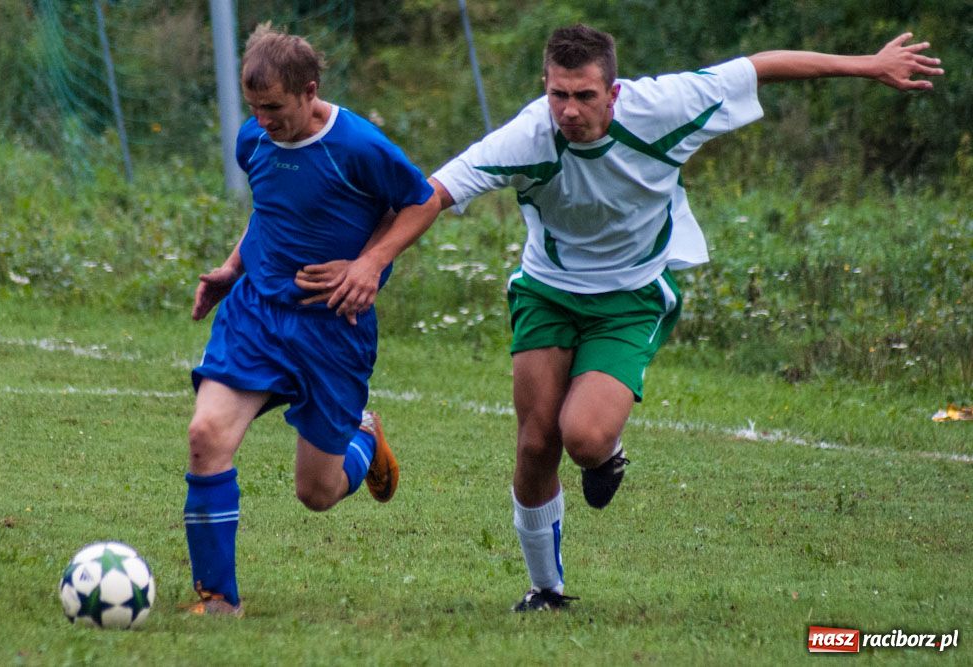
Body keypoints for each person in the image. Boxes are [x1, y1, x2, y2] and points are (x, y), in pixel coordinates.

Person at [297, 25, 942, 612]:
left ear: (614, 91)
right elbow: (433, 192)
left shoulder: (666, 107)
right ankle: (546, 589)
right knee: (534, 441)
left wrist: (869, 65)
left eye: (583, 95)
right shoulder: (529, 135)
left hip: (632, 295)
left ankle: (605, 453)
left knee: (582, 436)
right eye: (557, 95)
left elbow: (761, 64)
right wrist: (372, 263)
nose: (569, 110)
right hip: (547, 292)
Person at [183, 22, 439, 616]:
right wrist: (230, 269)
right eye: (255, 109)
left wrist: (370, 264)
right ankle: (218, 598)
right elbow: (269, 211)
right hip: (257, 316)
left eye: (274, 108)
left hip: (332, 331)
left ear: (309, 91)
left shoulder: (358, 147)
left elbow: (422, 199)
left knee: (317, 493)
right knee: (205, 436)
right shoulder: (255, 140)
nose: (264, 122)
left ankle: (364, 439)